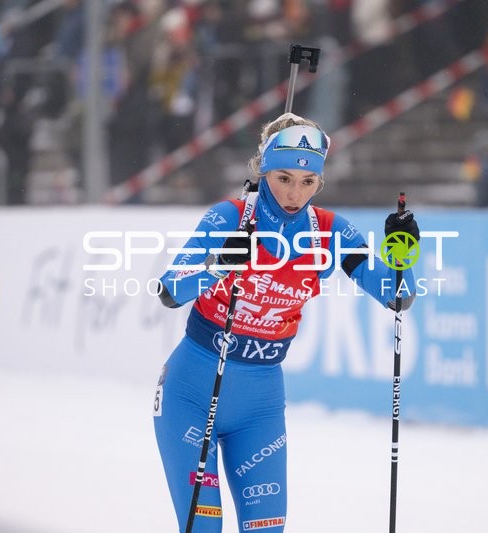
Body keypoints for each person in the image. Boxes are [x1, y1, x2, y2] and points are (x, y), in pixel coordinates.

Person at [153, 112, 420, 532]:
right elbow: (170, 289)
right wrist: (220, 265)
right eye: (283, 178)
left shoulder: (331, 231)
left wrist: (403, 255)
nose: (295, 193)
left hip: (259, 406)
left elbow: (397, 296)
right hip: (192, 393)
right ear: (263, 170)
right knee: (204, 528)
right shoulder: (230, 217)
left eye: (307, 182)